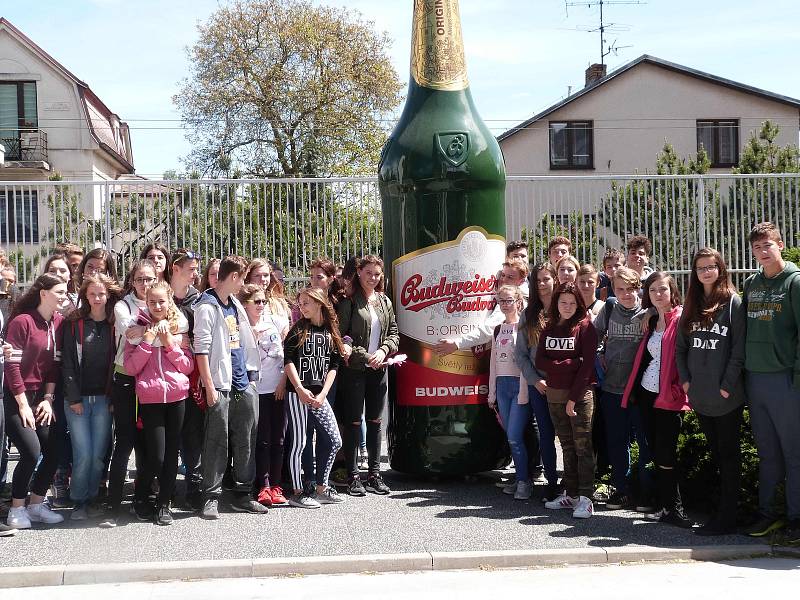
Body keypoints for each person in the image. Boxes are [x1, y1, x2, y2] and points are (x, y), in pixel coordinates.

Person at [676, 248, 745, 536]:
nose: (706, 271)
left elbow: (739, 350)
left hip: (725, 397)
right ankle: (723, 513)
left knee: (729, 457)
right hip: (701, 396)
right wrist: (686, 382)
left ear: (720, 269)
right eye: (701, 267)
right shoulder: (692, 303)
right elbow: (681, 348)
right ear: (695, 272)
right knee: (718, 455)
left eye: (711, 266)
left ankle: (728, 516)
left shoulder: (733, 303)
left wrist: (727, 386)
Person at [194, 255, 267, 518]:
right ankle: (210, 496)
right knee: (216, 441)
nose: (243, 284)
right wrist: (210, 387)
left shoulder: (234, 303)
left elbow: (241, 341)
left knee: (246, 438)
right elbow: (200, 350)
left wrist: (250, 377)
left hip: (241, 381)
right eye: (242, 278)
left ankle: (242, 494)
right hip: (220, 384)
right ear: (234, 277)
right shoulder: (206, 306)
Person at [741, 222, 800, 543]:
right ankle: (768, 513)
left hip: (786, 381)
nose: (762, 252)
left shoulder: (795, 283)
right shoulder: (751, 284)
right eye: (757, 247)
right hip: (756, 380)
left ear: (780, 244)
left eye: (768, 246)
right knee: (767, 453)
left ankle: (796, 517)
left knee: (794, 453)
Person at [622, 272, 692, 528]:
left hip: (669, 397)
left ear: (672, 290)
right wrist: (650, 314)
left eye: (663, 289)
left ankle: (676, 508)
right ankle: (665, 506)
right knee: (654, 450)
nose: (659, 294)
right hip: (646, 393)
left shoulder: (682, 317)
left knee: (667, 453)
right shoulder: (652, 321)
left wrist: (679, 387)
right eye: (653, 291)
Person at [124, 281, 193, 526]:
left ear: (170, 299)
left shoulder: (178, 327)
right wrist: (147, 339)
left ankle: (164, 504)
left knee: (172, 454)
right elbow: (131, 367)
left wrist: (168, 344)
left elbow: (187, 367)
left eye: (161, 301)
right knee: (156, 457)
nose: (156, 306)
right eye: (151, 301)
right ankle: (140, 497)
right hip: (151, 399)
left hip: (177, 398)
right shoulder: (137, 326)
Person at [4, 274, 67, 529]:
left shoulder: (59, 322)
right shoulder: (22, 321)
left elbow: (54, 367)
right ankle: (16, 509)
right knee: (31, 451)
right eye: (59, 291)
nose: (64, 296)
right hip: (15, 396)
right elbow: (12, 366)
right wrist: (22, 405)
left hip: (41, 397)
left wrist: (48, 399)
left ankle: (36, 505)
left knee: (54, 450)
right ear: (43, 293)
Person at [336, 255, 399, 496]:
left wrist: (383, 350)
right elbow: (342, 336)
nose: (373, 278)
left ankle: (374, 474)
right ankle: (353, 476)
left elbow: (394, 332)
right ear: (359, 272)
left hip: (379, 369)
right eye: (368, 273)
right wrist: (366, 356)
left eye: (377, 274)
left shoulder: (384, 301)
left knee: (375, 422)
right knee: (353, 423)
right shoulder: (349, 301)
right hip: (354, 370)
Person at [592, 266, 653, 512]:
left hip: (639, 390)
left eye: (630, 289)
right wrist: (599, 354)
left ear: (638, 287)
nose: (626, 294)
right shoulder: (609, 308)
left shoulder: (648, 312)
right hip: (612, 387)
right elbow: (593, 335)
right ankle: (622, 490)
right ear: (613, 289)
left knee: (645, 442)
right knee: (617, 442)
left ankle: (646, 492)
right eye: (620, 289)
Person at [536, 282, 598, 519]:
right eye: (563, 302)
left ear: (579, 304)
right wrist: (570, 363)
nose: (568, 306)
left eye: (572, 303)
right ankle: (570, 494)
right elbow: (540, 361)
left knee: (583, 448)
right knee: (567, 446)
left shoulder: (585, 327)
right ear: (556, 303)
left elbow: (587, 368)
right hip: (554, 395)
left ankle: (586, 498)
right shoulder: (549, 327)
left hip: (579, 396)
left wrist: (573, 398)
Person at [61, 274, 120, 521]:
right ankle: (78, 500)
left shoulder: (114, 324)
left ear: (108, 296)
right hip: (78, 400)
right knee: (83, 454)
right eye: (93, 294)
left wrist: (114, 398)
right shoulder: (75, 324)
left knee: (98, 456)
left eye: (101, 294)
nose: (97, 298)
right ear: (85, 295)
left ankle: (94, 496)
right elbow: (67, 364)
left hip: (104, 399)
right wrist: (73, 398)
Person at [103, 259, 157, 527]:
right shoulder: (123, 305)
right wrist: (156, 330)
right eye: (139, 280)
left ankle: (142, 500)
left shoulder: (162, 300)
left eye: (149, 279)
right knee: (124, 442)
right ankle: (113, 505)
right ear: (132, 282)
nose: (145, 285)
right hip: (126, 377)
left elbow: (178, 329)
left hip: (152, 379)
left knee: (148, 444)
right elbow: (131, 335)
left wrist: (147, 330)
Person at [284, 287, 345, 508]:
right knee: (300, 443)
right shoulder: (297, 330)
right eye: (300, 304)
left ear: (319, 303)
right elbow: (288, 360)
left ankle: (321, 486)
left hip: (320, 395)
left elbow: (334, 366)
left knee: (335, 440)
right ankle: (299, 492)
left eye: (306, 303)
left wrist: (324, 394)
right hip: (298, 395)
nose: (302, 307)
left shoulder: (330, 331)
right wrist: (299, 388)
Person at [239, 284, 288, 507]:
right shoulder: (240, 327)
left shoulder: (273, 324)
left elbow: (284, 356)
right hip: (255, 390)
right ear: (245, 304)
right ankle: (264, 484)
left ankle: (277, 485)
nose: (260, 305)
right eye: (256, 301)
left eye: (263, 301)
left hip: (276, 388)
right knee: (261, 440)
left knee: (278, 439)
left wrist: (283, 382)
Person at [515, 262, 559, 502]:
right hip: (539, 387)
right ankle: (551, 483)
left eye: (546, 279)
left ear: (555, 279)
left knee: (571, 438)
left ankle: (574, 486)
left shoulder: (566, 307)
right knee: (546, 435)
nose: (542, 284)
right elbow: (520, 354)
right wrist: (535, 381)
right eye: (538, 280)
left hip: (564, 385)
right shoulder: (528, 314)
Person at [434, 258, 528, 356]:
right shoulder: (518, 296)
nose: (504, 279)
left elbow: (488, 331)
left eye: (510, 277)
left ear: (521, 282)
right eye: (503, 275)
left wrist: (456, 344)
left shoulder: (511, 302)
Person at [488, 284, 531, 500]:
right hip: (502, 386)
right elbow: (493, 364)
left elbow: (526, 363)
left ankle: (525, 481)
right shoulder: (497, 328)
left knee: (515, 436)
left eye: (509, 300)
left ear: (518, 301)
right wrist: (492, 394)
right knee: (511, 436)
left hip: (519, 386)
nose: (505, 304)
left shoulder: (524, 327)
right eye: (501, 301)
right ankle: (519, 476)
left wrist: (524, 391)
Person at [169, 248, 204, 510]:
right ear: (175, 269)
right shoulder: (161, 296)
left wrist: (188, 341)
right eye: (190, 269)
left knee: (193, 431)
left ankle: (194, 484)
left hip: (191, 372)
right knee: (169, 431)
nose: (195, 274)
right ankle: (165, 486)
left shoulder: (199, 299)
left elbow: (203, 337)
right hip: (163, 373)